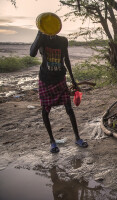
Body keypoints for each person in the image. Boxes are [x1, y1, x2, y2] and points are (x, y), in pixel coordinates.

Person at [30, 24, 88, 153]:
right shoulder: (42, 39)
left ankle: (78, 138)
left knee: (69, 108)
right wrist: (40, 33)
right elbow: (32, 53)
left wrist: (73, 80)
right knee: (45, 111)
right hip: (45, 79)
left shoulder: (62, 40)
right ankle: (52, 141)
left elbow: (66, 59)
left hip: (60, 78)